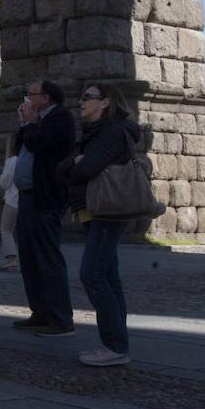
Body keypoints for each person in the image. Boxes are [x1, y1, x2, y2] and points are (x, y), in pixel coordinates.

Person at [65, 84, 143, 367]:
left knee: (93, 274)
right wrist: (77, 162)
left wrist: (77, 163)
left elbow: (84, 169)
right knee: (109, 276)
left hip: (109, 210)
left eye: (88, 97)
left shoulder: (111, 132)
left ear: (106, 102)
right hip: (95, 209)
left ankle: (114, 345)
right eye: (82, 95)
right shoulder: (94, 133)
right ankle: (116, 343)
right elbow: (73, 166)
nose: (81, 101)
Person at [13, 79, 76, 337]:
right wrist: (26, 125)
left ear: (46, 98)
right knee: (28, 258)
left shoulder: (61, 119)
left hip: (45, 198)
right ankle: (40, 312)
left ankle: (61, 318)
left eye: (31, 95)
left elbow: (38, 143)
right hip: (28, 197)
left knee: (48, 258)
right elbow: (22, 146)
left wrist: (29, 124)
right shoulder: (37, 119)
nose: (27, 99)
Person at [0, 137, 20, 272]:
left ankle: (11, 259)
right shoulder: (30, 159)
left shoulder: (12, 161)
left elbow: (4, 182)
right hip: (28, 201)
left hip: (12, 200)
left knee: (6, 229)